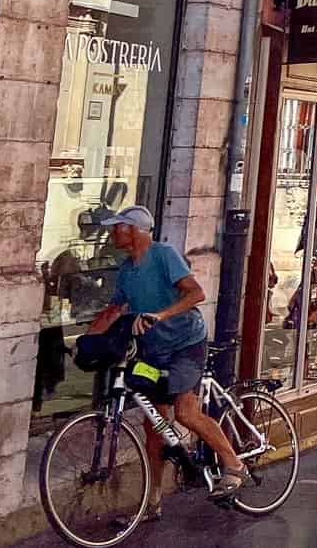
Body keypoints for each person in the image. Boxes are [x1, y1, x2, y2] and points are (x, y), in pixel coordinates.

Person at [86, 206, 248, 515]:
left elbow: (195, 294)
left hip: (186, 343)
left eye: (116, 227)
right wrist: (86, 342)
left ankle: (233, 463)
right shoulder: (127, 270)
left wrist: (160, 315)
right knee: (154, 426)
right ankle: (153, 501)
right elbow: (113, 310)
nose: (111, 233)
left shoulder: (163, 255)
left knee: (186, 413)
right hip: (154, 350)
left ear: (133, 230)